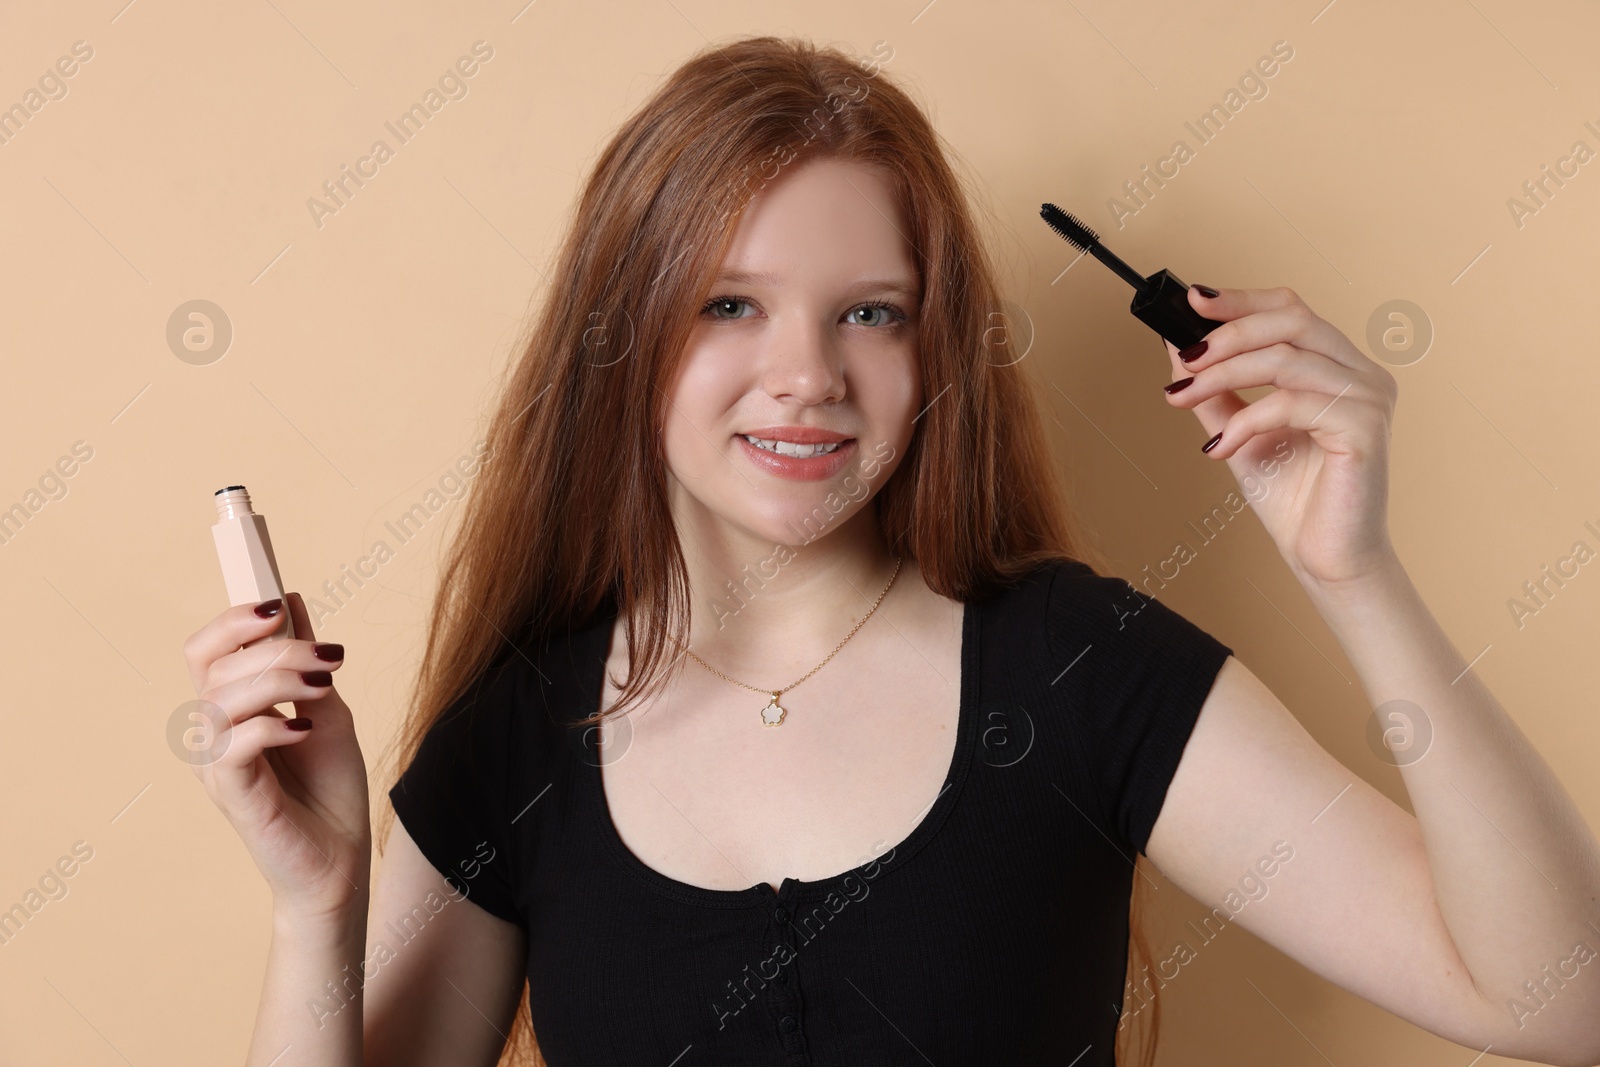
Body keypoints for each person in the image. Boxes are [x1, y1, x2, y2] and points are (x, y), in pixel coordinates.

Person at [181, 35, 1600, 1067]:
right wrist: (319, 914)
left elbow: (1560, 999)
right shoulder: (518, 741)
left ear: (936, 356)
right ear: (623, 336)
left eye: (872, 313)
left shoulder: (1082, 670)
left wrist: (1357, 576)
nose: (806, 374)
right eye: (731, 305)